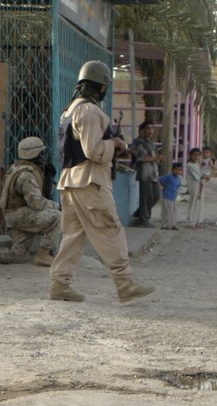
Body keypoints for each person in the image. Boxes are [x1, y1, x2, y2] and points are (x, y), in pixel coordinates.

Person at [49, 61, 155, 303]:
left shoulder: (70, 110)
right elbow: (94, 151)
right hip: (90, 182)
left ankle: (60, 282)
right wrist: (115, 144)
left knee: (74, 235)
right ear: (99, 87)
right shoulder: (89, 112)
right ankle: (125, 283)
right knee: (110, 229)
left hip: (71, 181)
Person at [0, 136, 61, 266]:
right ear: (34, 154)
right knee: (57, 217)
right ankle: (44, 254)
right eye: (41, 153)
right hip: (19, 215)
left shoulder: (18, 167)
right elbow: (36, 203)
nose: (43, 156)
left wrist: (49, 181)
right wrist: (57, 206)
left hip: (16, 214)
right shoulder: (26, 175)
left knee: (16, 255)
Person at [129, 121, 163, 228]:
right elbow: (142, 158)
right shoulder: (140, 143)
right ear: (143, 130)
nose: (150, 131)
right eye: (148, 128)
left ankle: (140, 213)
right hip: (145, 173)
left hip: (153, 173)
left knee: (156, 195)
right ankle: (143, 219)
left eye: (152, 128)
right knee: (146, 197)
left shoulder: (151, 144)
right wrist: (156, 158)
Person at [185, 147, 207, 228]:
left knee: (199, 203)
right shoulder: (190, 165)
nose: (196, 157)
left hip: (199, 185)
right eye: (194, 155)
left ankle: (198, 221)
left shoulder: (197, 164)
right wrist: (206, 176)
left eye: (198, 155)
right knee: (193, 202)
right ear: (190, 155)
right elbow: (199, 176)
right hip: (194, 185)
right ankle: (190, 222)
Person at [158, 162, 182, 230]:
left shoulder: (178, 178)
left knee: (174, 211)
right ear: (172, 170)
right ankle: (165, 225)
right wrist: (162, 186)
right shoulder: (168, 176)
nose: (178, 171)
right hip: (166, 196)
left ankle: (173, 224)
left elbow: (178, 186)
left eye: (180, 170)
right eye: (176, 169)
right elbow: (159, 179)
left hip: (173, 197)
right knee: (166, 211)